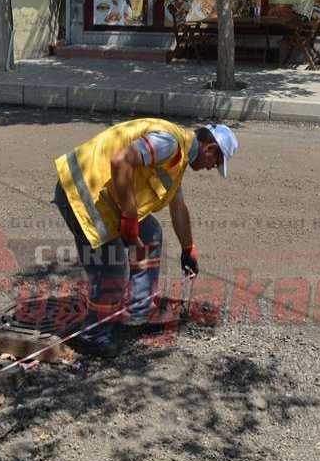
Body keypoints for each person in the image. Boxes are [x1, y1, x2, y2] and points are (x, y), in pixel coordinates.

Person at [52, 119, 238, 356]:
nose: (212, 168)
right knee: (112, 269)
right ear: (209, 148)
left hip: (105, 198)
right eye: (216, 162)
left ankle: (137, 314)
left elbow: (178, 207)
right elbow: (120, 160)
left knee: (150, 234)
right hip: (82, 193)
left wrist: (188, 247)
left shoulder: (178, 159)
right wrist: (129, 217)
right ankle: (92, 336)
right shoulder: (170, 143)